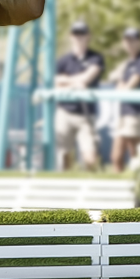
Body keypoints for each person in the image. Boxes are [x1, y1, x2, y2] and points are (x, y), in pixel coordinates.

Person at [54, 21, 105, 170]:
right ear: (71, 36)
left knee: (90, 158)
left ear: (88, 36)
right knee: (63, 157)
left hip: (85, 114)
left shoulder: (96, 57)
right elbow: (54, 81)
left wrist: (66, 80)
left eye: (82, 33)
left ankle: (92, 182)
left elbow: (87, 78)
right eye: (76, 33)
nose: (79, 37)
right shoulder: (63, 60)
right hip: (64, 112)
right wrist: (76, 82)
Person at [110, 28, 140, 172]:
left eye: (133, 40)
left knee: (135, 156)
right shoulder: (128, 63)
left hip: (136, 113)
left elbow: (128, 87)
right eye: (127, 40)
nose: (130, 44)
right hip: (124, 112)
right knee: (119, 157)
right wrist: (120, 83)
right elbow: (116, 80)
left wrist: (120, 83)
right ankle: (121, 183)